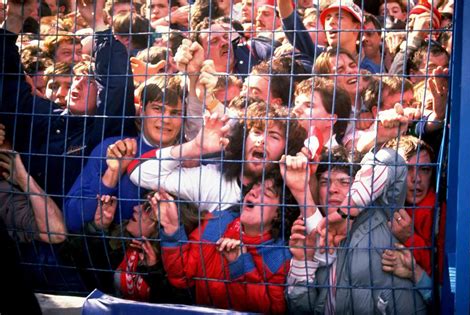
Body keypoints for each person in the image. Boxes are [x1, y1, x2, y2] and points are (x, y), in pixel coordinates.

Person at [0, 0, 137, 198]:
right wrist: (14, 20)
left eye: (90, 82)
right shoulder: (46, 114)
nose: (78, 84)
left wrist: (97, 22)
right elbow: (9, 86)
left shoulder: (103, 128)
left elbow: (118, 86)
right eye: (77, 78)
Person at [286, 146, 427, 314]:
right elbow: (301, 310)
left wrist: (347, 210)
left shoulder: (382, 212)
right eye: (325, 182)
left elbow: (391, 160)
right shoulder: (314, 233)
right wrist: (303, 261)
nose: (332, 189)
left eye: (344, 181)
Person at [158, 171, 300, 313]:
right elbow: (182, 278)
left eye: (266, 193)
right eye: (254, 187)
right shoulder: (216, 222)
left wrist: (241, 264)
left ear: (278, 213)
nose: (253, 193)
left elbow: (270, 311)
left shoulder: (280, 257)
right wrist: (172, 231)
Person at [128, 101, 307, 213]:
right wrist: (194, 147)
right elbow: (139, 173)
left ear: (287, 149)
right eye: (257, 132)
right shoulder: (212, 178)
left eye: (274, 136)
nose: (261, 141)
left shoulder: (290, 193)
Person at [65, 76, 184, 233]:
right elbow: (71, 219)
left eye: (175, 113)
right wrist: (112, 174)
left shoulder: (189, 160)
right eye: (158, 109)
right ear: (141, 110)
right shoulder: (112, 148)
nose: (166, 119)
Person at [65, 192, 196, 304]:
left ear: (161, 224)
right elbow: (71, 257)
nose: (136, 208)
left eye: (147, 208)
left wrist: (153, 270)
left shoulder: (175, 264)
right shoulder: (123, 241)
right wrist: (98, 228)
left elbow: (177, 306)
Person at [384, 135, 446, 279]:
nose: (416, 178)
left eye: (424, 169)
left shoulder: (439, 211)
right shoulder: (380, 204)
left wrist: (409, 237)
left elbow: (442, 277)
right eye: (407, 169)